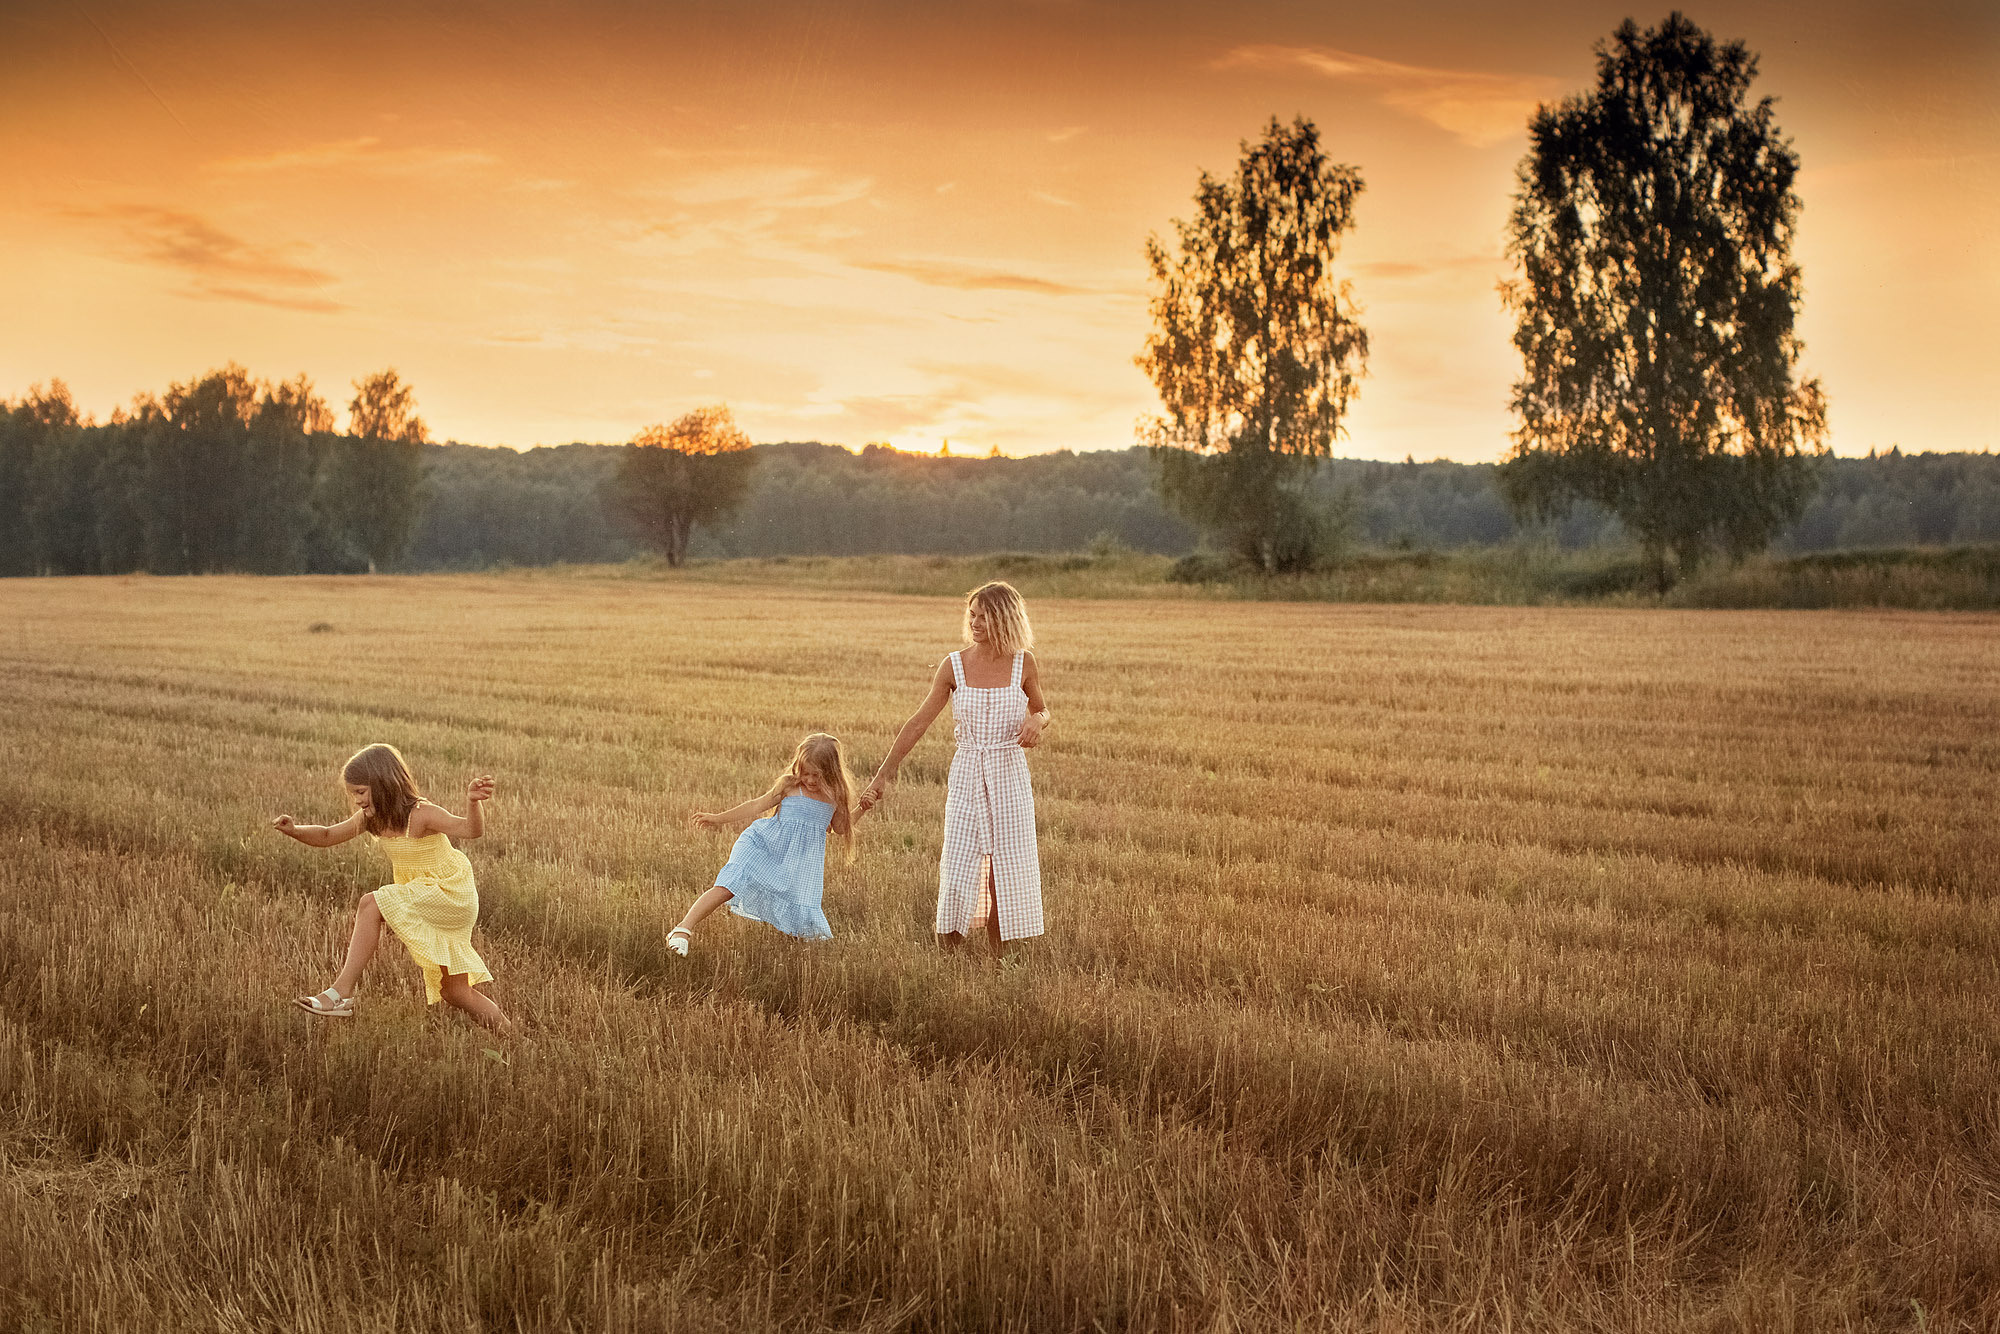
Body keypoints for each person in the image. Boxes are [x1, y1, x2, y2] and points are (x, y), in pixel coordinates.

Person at [860, 581, 1049, 954]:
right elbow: (917, 722)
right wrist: (885, 772)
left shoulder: (1023, 663)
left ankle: (1002, 953)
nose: (975, 623)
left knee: (1006, 864)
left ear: (1005, 619)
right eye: (972, 615)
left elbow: (1042, 709)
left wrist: (1037, 722)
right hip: (967, 772)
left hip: (1009, 772)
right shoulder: (954, 665)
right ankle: (949, 946)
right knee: (960, 859)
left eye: (984, 616)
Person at [275, 743, 511, 1032]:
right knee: (455, 992)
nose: (357, 800)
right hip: (425, 893)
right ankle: (515, 1039)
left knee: (371, 903)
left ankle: (339, 995)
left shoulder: (422, 813)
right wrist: (294, 831)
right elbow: (326, 835)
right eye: (353, 793)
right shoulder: (372, 819)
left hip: (449, 892)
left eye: (361, 791)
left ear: (383, 783)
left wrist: (473, 803)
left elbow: (471, 830)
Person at [669, 732, 860, 956]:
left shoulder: (834, 796)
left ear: (831, 772)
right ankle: (682, 930)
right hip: (762, 845)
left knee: (805, 925)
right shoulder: (789, 786)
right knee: (730, 884)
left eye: (816, 775)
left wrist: (863, 808)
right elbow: (754, 806)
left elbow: (840, 828)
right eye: (805, 772)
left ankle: (793, 958)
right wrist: (718, 818)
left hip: (799, 863)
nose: (809, 780)